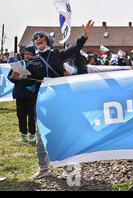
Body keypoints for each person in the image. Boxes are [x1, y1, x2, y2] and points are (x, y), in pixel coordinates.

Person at [12, 20, 94, 179]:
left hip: (59, 100)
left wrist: (84, 35)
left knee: (61, 133)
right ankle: (43, 167)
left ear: (48, 41)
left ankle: (68, 168)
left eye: (41, 37)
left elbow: (75, 48)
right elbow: (30, 81)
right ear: (34, 44)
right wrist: (18, 78)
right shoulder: (33, 61)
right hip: (41, 102)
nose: (38, 38)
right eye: (36, 38)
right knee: (41, 134)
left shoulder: (57, 55)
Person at [7, 46, 37, 144]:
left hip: (30, 94)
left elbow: (34, 80)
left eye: (30, 54)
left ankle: (32, 134)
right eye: (26, 53)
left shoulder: (35, 65)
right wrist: (13, 77)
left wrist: (22, 79)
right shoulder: (18, 64)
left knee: (31, 115)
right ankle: (23, 134)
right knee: (21, 115)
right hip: (19, 94)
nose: (27, 56)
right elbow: (9, 77)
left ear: (33, 55)